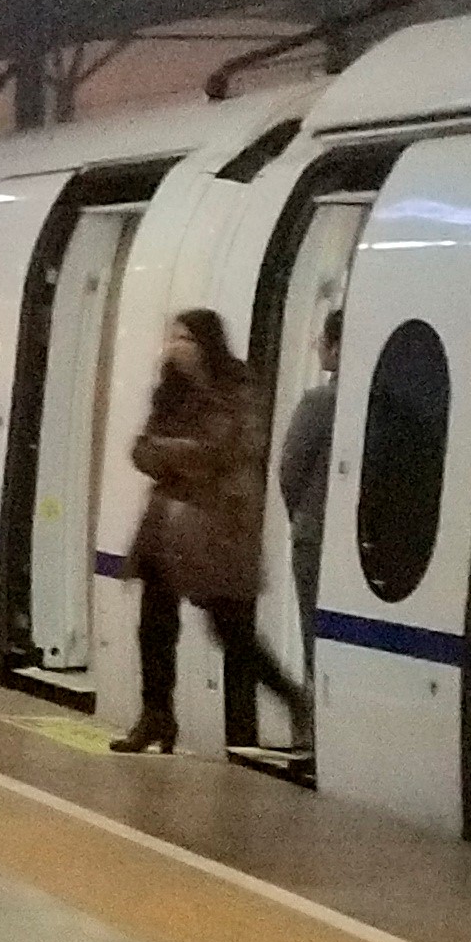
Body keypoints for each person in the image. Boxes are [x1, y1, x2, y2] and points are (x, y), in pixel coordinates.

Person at [114, 307, 311, 756]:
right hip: (166, 529)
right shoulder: (169, 392)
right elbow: (141, 451)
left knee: (232, 632)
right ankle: (156, 716)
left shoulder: (237, 389)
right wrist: (181, 455)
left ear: (207, 344)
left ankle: (294, 699)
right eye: (173, 338)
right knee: (154, 626)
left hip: (216, 530)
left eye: (184, 339)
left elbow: (224, 451)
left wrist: (170, 454)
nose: (174, 347)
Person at [276, 309, 340, 760]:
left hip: (314, 537)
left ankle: (313, 731)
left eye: (323, 340)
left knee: (313, 633)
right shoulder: (384, 403)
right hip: (354, 541)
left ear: (337, 346)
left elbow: (290, 471)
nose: (318, 347)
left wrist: (301, 519)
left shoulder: (319, 403)